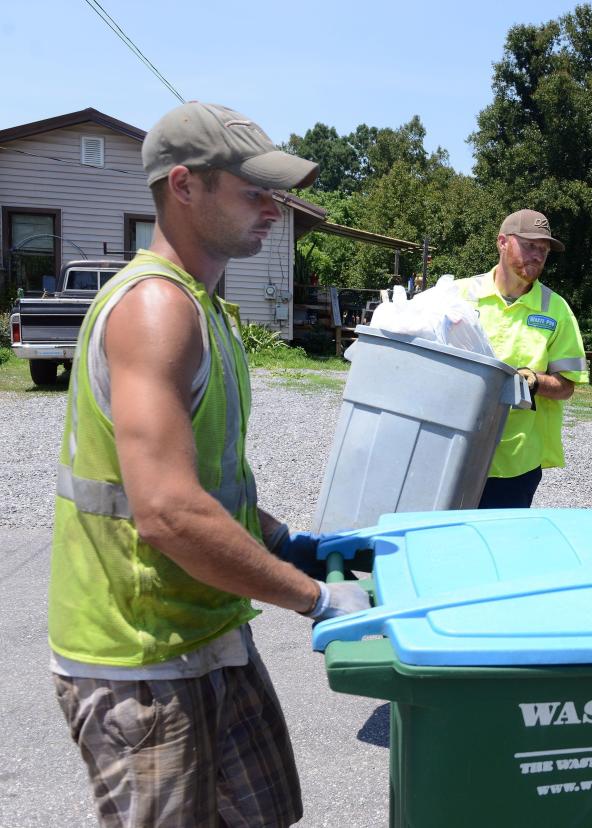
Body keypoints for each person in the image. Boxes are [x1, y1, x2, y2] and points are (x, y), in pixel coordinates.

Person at [47, 101, 370, 828]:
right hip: (140, 656)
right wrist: (313, 597)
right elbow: (165, 512)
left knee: (266, 812)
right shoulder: (154, 309)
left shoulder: (208, 311)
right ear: (185, 186)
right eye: (254, 191)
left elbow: (208, 488)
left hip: (207, 627)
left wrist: (288, 542)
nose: (273, 208)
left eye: (276, 192)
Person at [460, 209, 588, 508]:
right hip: (455, 450)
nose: (538, 255)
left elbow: (567, 386)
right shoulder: (459, 296)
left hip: (516, 463)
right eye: (530, 245)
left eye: (543, 250)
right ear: (502, 242)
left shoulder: (555, 309)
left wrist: (532, 381)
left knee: (500, 548)